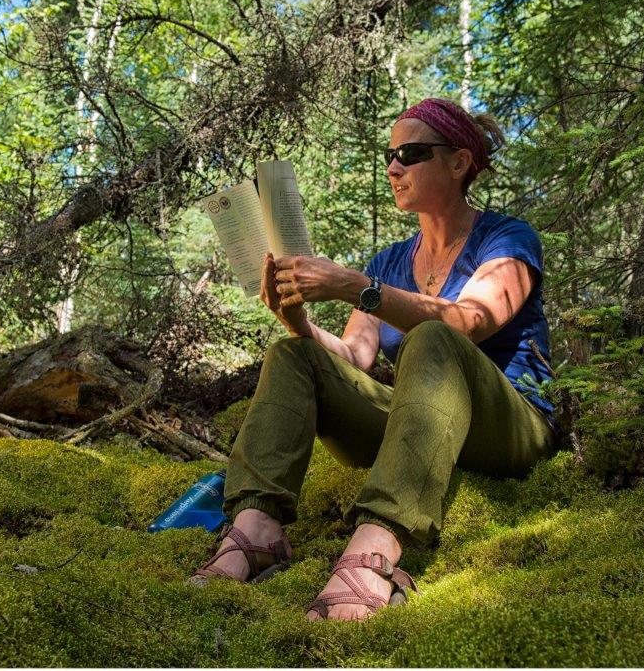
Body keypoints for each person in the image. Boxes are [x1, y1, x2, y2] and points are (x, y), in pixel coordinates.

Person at [189, 98, 559, 621]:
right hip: (431, 426)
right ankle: (256, 529)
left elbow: (469, 321)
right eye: (389, 155)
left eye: (411, 153)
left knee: (432, 337)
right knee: (294, 355)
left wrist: (357, 287)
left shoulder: (507, 238)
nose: (393, 167)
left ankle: (376, 550)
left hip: (512, 428)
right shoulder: (389, 261)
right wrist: (295, 318)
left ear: (458, 163)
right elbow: (353, 357)